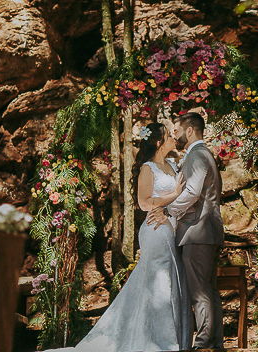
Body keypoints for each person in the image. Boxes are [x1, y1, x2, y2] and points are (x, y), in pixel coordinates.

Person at [61, 122, 192, 352]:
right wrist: (173, 194)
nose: (174, 136)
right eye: (169, 134)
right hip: (155, 231)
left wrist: (171, 209)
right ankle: (158, 341)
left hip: (171, 228)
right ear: (159, 142)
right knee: (158, 281)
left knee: (173, 277)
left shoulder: (173, 164)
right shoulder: (147, 168)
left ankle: (173, 338)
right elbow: (144, 203)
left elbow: (181, 199)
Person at [148, 112, 225, 349]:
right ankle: (214, 343)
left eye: (178, 131)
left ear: (190, 130)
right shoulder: (200, 154)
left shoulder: (198, 154)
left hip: (198, 231)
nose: (176, 135)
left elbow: (192, 192)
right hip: (205, 232)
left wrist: (169, 211)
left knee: (200, 291)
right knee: (209, 290)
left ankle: (202, 343)